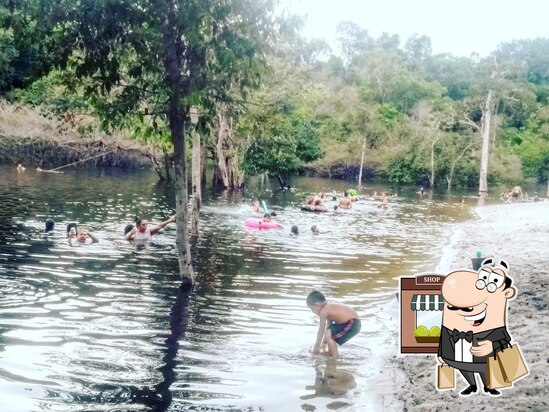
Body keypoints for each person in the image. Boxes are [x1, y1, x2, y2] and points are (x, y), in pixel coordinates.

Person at [438, 258, 519, 396]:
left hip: (483, 357)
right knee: (463, 367)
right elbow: (445, 336)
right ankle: (472, 385)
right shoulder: (451, 324)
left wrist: (492, 346)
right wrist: (441, 353)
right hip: (459, 354)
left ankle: (488, 386)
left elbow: (504, 338)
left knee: (484, 368)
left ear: (507, 293)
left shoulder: (494, 326)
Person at [306, 290, 361, 358]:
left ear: (317, 305)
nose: (312, 312)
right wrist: (323, 343)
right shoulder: (329, 307)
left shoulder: (323, 312)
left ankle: (335, 358)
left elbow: (321, 330)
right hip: (351, 323)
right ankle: (330, 354)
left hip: (352, 324)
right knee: (329, 333)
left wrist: (316, 347)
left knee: (329, 335)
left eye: (311, 309)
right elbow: (329, 326)